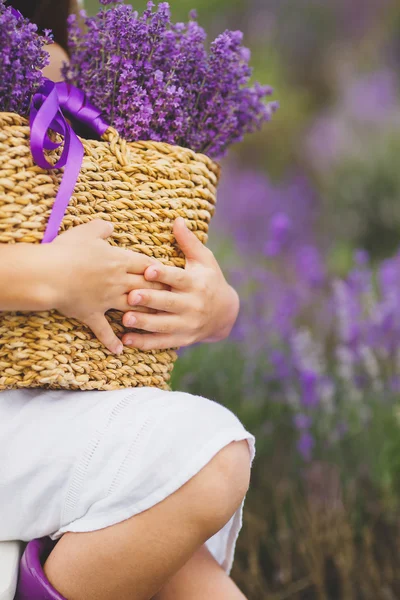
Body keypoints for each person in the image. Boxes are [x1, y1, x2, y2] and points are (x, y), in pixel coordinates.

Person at [0, 1, 255, 599]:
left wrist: (214, 308)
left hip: (57, 393)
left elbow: (124, 210)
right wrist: (47, 278)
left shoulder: (74, 46)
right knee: (210, 457)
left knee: (192, 567)